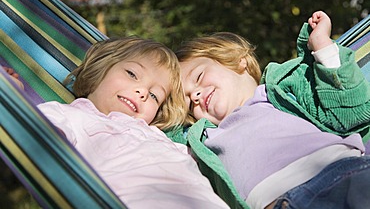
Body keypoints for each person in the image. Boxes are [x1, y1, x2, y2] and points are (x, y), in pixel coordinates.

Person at [3, 37, 229, 209]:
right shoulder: (70, 116)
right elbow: (35, 136)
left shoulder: (158, 135)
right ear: (100, 70)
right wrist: (15, 97)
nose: (142, 92)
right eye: (132, 74)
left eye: (154, 96)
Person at [177, 11, 370, 209]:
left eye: (198, 77)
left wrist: (322, 46)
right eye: (189, 104)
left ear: (236, 60)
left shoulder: (280, 91)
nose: (195, 96)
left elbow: (350, 112)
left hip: (342, 172)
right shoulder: (203, 140)